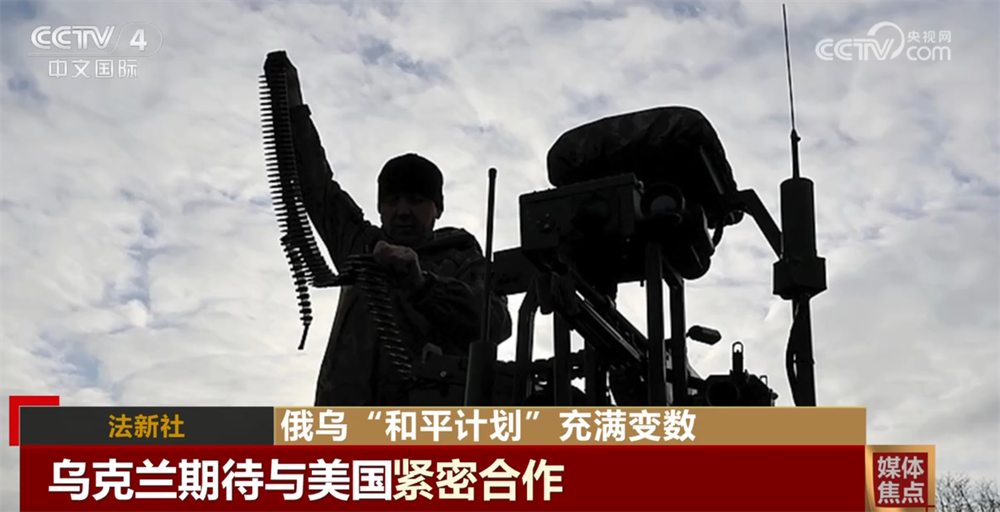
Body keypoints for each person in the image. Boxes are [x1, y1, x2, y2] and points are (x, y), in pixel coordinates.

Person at [280, 56, 513, 406]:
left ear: (437, 209)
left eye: (416, 200)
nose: (403, 210)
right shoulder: (361, 247)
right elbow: (318, 189)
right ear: (380, 207)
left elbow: (496, 323)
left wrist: (423, 286)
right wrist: (294, 108)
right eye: (393, 201)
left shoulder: (463, 258)